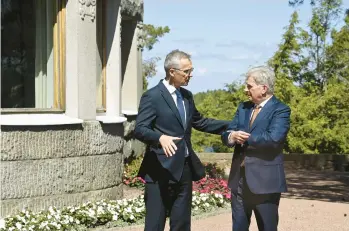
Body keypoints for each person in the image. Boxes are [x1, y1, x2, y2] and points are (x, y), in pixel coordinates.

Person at [134, 49, 229, 231]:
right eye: (186, 71)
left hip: (184, 169)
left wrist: (233, 125)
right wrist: (159, 137)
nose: (190, 75)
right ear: (172, 71)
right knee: (154, 225)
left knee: (182, 225)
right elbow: (139, 129)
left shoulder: (186, 96)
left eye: (190, 71)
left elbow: (200, 122)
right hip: (159, 169)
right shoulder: (152, 96)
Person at [221, 66, 291, 231]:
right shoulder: (243, 108)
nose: (246, 89)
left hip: (265, 182)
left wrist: (244, 137)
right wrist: (231, 137)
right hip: (238, 180)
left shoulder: (281, 110)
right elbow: (228, 132)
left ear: (264, 88)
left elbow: (274, 139)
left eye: (250, 86)